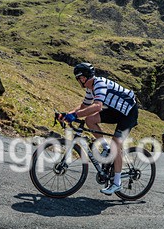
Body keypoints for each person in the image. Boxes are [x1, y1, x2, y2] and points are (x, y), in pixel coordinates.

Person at [59, 63, 139, 195]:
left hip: (128, 113)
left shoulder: (99, 83)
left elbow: (97, 106)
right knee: (89, 120)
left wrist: (75, 115)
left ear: (84, 77)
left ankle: (117, 183)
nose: (78, 81)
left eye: (79, 78)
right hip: (116, 110)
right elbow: (84, 106)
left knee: (115, 146)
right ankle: (106, 149)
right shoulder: (90, 88)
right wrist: (67, 114)